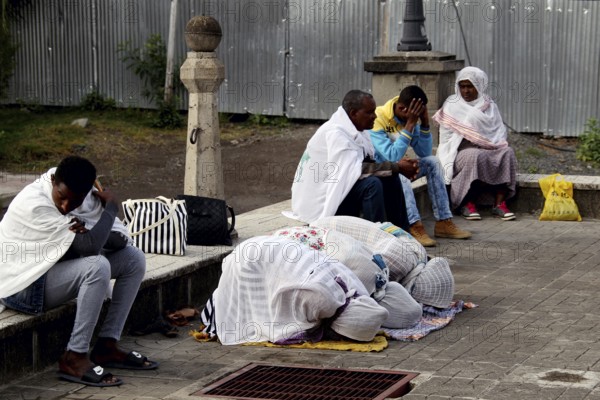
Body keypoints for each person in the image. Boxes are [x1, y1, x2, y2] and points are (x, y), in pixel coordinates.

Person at [0, 156, 156, 387]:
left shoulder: (85, 198)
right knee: (96, 266)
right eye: (61, 198)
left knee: (134, 258)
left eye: (74, 202)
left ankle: (107, 345)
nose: (65, 207)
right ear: (53, 181)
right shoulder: (34, 203)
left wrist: (93, 231)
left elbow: (118, 242)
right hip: (22, 287)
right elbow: (90, 246)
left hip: (48, 273)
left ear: (86, 195)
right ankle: (75, 355)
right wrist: (111, 208)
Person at [200, 236, 389, 344]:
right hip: (251, 259)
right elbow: (286, 322)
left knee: (244, 304)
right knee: (237, 312)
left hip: (266, 250)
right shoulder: (323, 300)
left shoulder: (353, 290)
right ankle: (209, 314)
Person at [291, 89, 416, 231]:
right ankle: (377, 239)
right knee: (372, 184)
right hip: (321, 203)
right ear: (353, 113)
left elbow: (365, 164)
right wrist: (397, 166)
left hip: (339, 190)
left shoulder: (357, 130)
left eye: (374, 111)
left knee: (390, 176)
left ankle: (402, 236)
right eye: (369, 112)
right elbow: (353, 170)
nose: (374, 116)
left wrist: (395, 168)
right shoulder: (336, 133)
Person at [370, 85, 472, 247]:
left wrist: (424, 124)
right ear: (403, 108)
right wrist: (410, 124)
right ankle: (414, 226)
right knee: (400, 177)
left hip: (398, 167)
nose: (415, 119)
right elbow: (392, 156)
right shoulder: (378, 117)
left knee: (432, 162)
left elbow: (424, 152)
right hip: (378, 171)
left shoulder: (411, 114)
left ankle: (444, 221)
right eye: (414, 116)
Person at [433, 66, 518, 221]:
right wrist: (471, 137)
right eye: (462, 86)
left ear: (479, 86)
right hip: (459, 150)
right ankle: (466, 202)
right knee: (474, 155)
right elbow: (446, 139)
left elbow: (498, 132)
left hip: (489, 146)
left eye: (470, 86)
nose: (466, 91)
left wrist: (486, 143)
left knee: (507, 153)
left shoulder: (489, 105)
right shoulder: (452, 105)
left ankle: (499, 204)